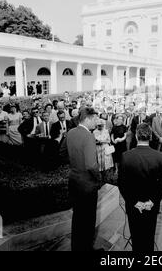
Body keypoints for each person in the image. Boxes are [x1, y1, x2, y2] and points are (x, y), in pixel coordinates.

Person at [118, 123, 162, 252]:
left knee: (136, 237)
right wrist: (152, 201)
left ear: (136, 136)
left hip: (133, 205)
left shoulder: (126, 156)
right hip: (151, 206)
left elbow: (122, 184)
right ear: (151, 136)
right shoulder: (160, 156)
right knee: (149, 236)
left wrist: (135, 202)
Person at [65, 107, 102, 251]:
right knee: (88, 220)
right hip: (87, 185)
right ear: (87, 119)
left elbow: (62, 153)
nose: (96, 122)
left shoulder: (71, 132)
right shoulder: (88, 136)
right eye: (94, 119)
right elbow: (91, 165)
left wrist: (75, 163)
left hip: (74, 181)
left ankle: (77, 247)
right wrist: (98, 179)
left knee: (78, 218)